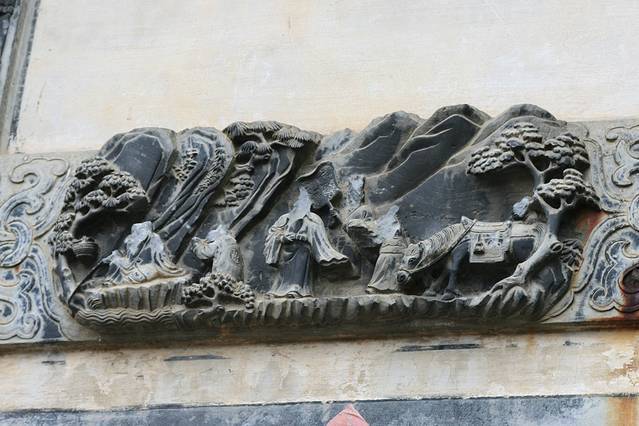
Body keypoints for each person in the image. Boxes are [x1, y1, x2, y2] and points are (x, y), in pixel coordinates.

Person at [264, 188, 348, 298]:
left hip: (302, 249)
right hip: (285, 249)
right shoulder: (285, 218)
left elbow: (321, 231)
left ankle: (297, 288)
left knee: (301, 259)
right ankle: (277, 290)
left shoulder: (313, 218)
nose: (297, 204)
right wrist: (282, 237)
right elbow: (274, 232)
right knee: (283, 271)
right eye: (297, 202)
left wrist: (306, 234)